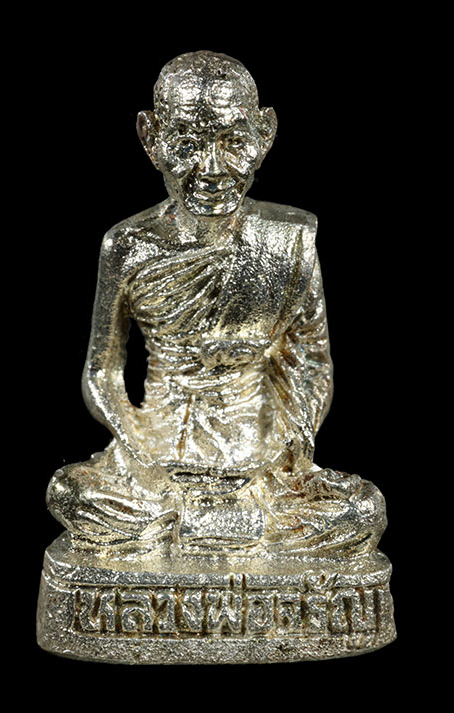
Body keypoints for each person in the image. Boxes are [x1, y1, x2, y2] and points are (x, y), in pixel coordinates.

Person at [47, 51, 386, 555]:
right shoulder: (128, 246)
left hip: (260, 456)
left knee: (362, 509)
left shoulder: (288, 238)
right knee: (70, 493)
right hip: (158, 455)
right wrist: (139, 449)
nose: (211, 169)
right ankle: (210, 523)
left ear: (265, 135)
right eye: (187, 144)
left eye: (234, 142)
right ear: (151, 138)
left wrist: (288, 450)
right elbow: (102, 371)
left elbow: (311, 363)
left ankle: (195, 526)